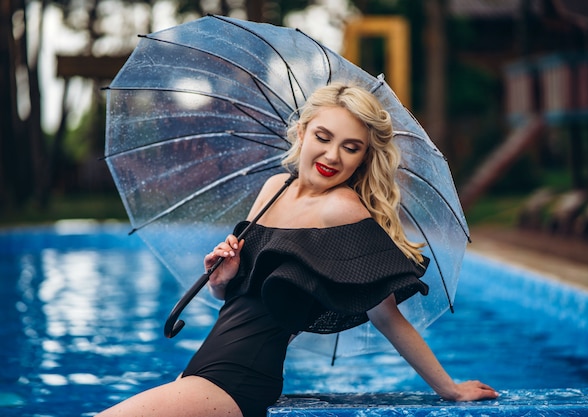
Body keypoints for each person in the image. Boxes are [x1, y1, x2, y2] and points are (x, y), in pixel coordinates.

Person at [96, 83, 498, 417]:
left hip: (240, 379)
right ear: (302, 132)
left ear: (363, 157)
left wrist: (451, 389)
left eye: (351, 147)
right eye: (323, 137)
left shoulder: (341, 208)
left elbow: (386, 315)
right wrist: (223, 279)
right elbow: (239, 299)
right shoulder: (275, 189)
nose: (332, 156)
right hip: (204, 372)